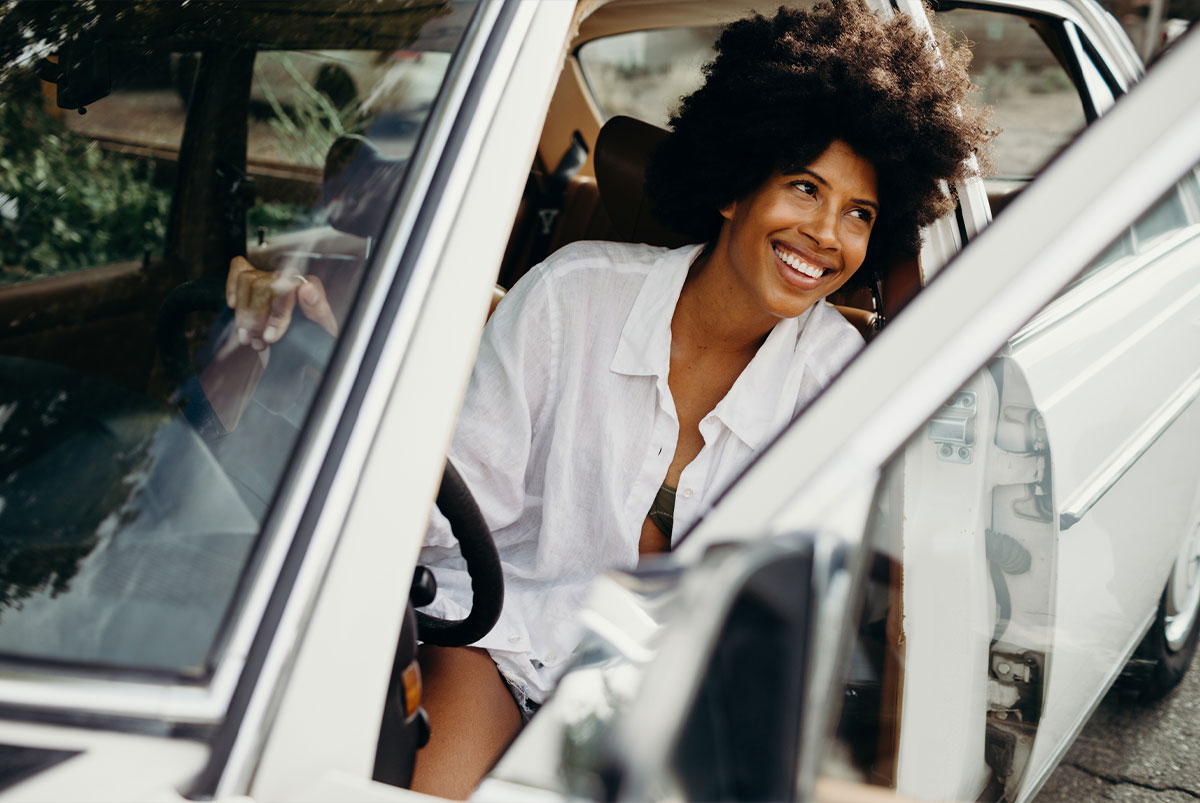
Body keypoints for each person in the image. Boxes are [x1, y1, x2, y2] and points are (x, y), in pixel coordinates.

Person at [224, 3, 991, 798]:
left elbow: (796, 623)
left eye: (859, 213)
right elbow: (446, 515)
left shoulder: (838, 378)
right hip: (506, 635)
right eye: (805, 187)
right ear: (734, 185)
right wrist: (334, 368)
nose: (826, 234)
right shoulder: (573, 294)